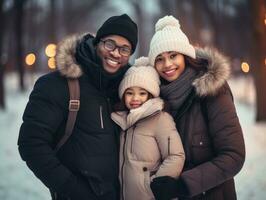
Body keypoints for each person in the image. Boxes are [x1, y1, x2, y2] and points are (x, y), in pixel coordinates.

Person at [18, 14, 138, 200]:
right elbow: (31, 144)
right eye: (110, 44)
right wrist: (74, 191)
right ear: (98, 42)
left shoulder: (127, 90)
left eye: (125, 49)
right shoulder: (58, 84)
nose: (115, 53)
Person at [148, 15, 245, 200]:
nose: (167, 64)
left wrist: (183, 185)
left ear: (185, 55)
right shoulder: (155, 99)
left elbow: (234, 156)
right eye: (159, 58)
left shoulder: (212, 91)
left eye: (173, 55)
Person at [111, 57, 185, 200]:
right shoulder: (121, 121)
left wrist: (156, 185)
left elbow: (175, 155)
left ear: (151, 95)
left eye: (142, 93)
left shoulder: (161, 119)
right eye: (129, 93)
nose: (135, 98)